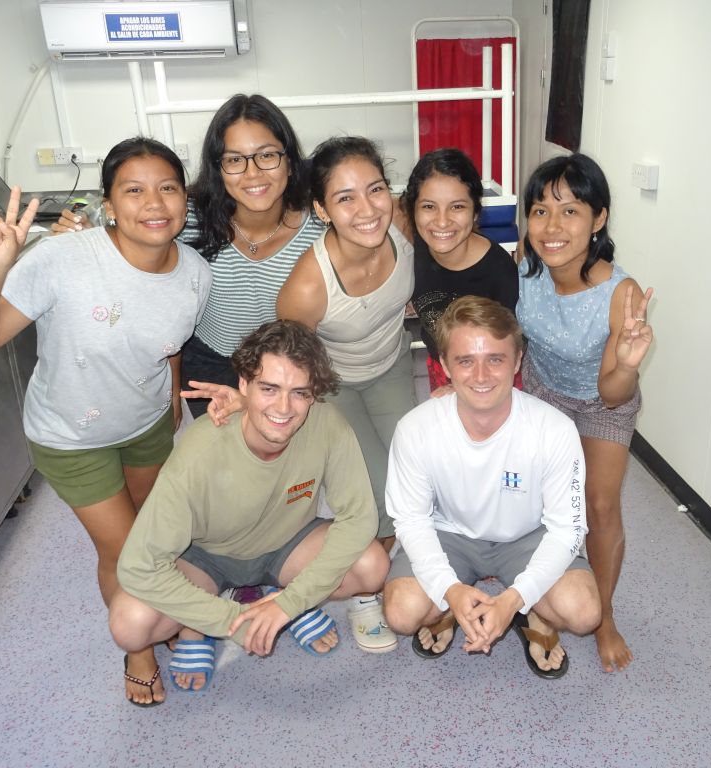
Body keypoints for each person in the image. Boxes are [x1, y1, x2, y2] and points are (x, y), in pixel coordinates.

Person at [0, 137, 212, 705]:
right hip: (72, 437)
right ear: (109, 204)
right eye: (134, 190)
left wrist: (170, 400)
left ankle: (166, 614)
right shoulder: (62, 259)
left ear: (185, 198)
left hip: (147, 426)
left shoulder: (194, 271)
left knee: (161, 534)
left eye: (168, 187)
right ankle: (138, 648)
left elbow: (170, 344)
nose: (154, 203)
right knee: (124, 551)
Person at [108, 320, 390, 692]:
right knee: (130, 623)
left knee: (371, 566)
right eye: (269, 389)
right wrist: (235, 622)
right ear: (243, 385)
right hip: (207, 558)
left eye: (300, 393)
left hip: (288, 545)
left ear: (314, 394)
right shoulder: (200, 451)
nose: (284, 408)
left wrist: (290, 603)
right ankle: (205, 624)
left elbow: (358, 519)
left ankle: (283, 605)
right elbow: (138, 567)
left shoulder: (329, 427)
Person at [52, 94, 324, 419]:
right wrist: (87, 235)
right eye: (235, 160)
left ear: (290, 162)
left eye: (267, 155)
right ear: (218, 168)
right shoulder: (188, 218)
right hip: (208, 364)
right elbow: (126, 227)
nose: (253, 173)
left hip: (285, 368)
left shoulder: (319, 224)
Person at [382, 296, 602, 678]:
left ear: (517, 362)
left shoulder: (553, 429)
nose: (481, 376)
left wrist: (515, 599)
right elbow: (412, 521)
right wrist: (449, 589)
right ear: (446, 366)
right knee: (402, 613)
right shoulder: (416, 429)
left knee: (583, 613)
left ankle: (531, 610)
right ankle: (454, 605)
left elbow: (568, 528)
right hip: (449, 534)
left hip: (527, 537)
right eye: (466, 360)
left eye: (495, 359)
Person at [275, 136, 417, 653]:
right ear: (321, 209)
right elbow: (292, 362)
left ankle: (412, 568)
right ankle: (366, 591)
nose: (367, 208)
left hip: (392, 364)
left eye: (375, 189)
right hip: (333, 385)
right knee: (375, 490)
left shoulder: (398, 225)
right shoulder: (309, 286)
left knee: (417, 470)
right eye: (346, 198)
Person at [514, 153, 654, 673]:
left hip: (602, 399)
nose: (552, 227)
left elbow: (613, 392)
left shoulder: (622, 294)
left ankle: (606, 614)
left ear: (599, 219)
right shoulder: (525, 267)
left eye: (570, 212)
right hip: (543, 388)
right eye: (540, 211)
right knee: (532, 495)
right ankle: (535, 592)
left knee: (598, 505)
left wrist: (629, 363)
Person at [402, 148, 518, 393]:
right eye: (429, 206)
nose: (442, 221)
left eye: (457, 207)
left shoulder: (499, 271)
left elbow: (512, 347)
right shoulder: (416, 247)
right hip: (439, 366)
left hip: (489, 375)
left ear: (475, 211)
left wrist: (464, 387)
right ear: (413, 210)